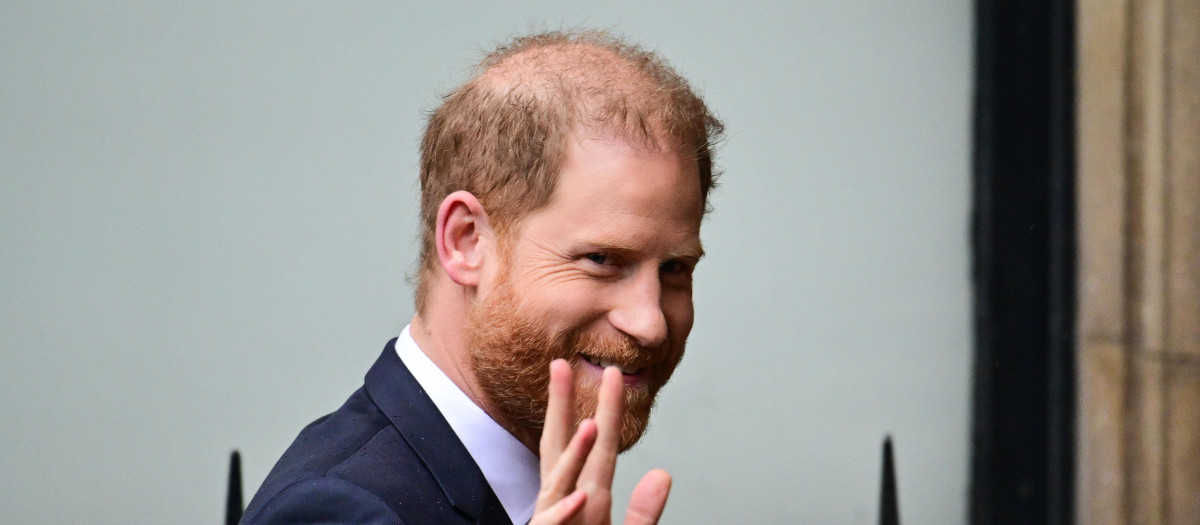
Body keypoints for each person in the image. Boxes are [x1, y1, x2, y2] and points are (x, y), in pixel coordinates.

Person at [241, 29, 723, 525]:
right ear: (466, 240)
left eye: (674, 268)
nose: (651, 324)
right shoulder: (340, 510)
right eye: (602, 259)